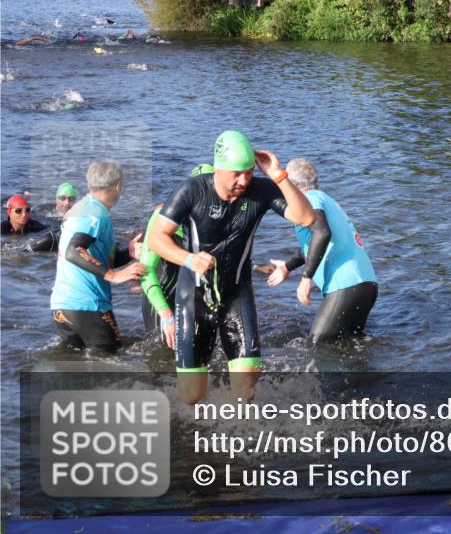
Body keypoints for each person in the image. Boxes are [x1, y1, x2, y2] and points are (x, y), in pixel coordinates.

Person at [147, 131, 314, 404]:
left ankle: (237, 436)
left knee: (246, 391)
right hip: (194, 296)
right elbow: (156, 238)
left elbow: (306, 218)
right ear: (217, 168)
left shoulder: (260, 190)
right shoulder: (192, 190)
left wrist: (277, 174)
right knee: (191, 397)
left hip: (237, 292)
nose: (244, 180)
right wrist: (189, 259)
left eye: (248, 172)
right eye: (237, 173)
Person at [265, 159, 378, 343]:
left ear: (292, 186)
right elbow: (313, 244)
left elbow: (322, 234)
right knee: (351, 346)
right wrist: (287, 267)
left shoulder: (309, 199)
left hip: (346, 286)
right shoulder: (326, 199)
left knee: (318, 347)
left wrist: (305, 278)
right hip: (367, 285)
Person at [49, 161, 145, 354]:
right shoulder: (96, 213)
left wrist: (128, 253)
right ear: (118, 186)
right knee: (113, 366)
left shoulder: (82, 208)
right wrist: (114, 275)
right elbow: (74, 251)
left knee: (78, 368)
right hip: (87, 306)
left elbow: (91, 255)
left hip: (61, 308)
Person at [138, 164, 213, 343]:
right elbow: (145, 270)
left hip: (191, 300)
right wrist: (165, 313)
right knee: (163, 359)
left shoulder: (215, 218)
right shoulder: (163, 216)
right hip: (160, 301)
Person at [27, 182, 77, 252]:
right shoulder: (45, 213)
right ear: (56, 200)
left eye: (71, 199)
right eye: (63, 198)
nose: (67, 202)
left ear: (75, 201)